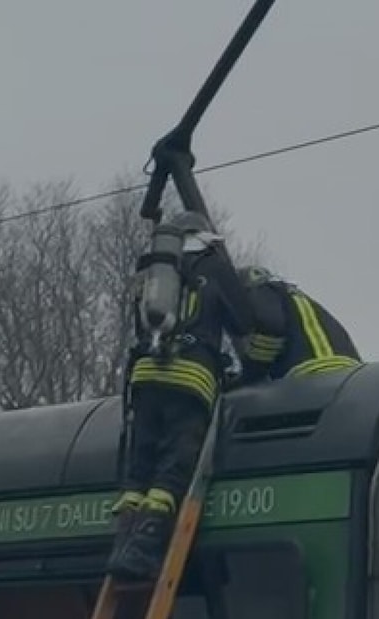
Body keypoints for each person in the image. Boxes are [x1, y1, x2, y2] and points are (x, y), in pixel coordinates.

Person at [107, 209, 254, 581]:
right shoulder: (214, 266)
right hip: (190, 379)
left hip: (145, 379)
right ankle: (146, 546)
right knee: (175, 466)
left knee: (139, 470)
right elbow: (245, 321)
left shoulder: (154, 271)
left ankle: (123, 544)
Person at [234, 265, 362, 384]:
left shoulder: (264, 289)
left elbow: (270, 326)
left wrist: (250, 373)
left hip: (315, 371)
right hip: (353, 376)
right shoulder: (298, 300)